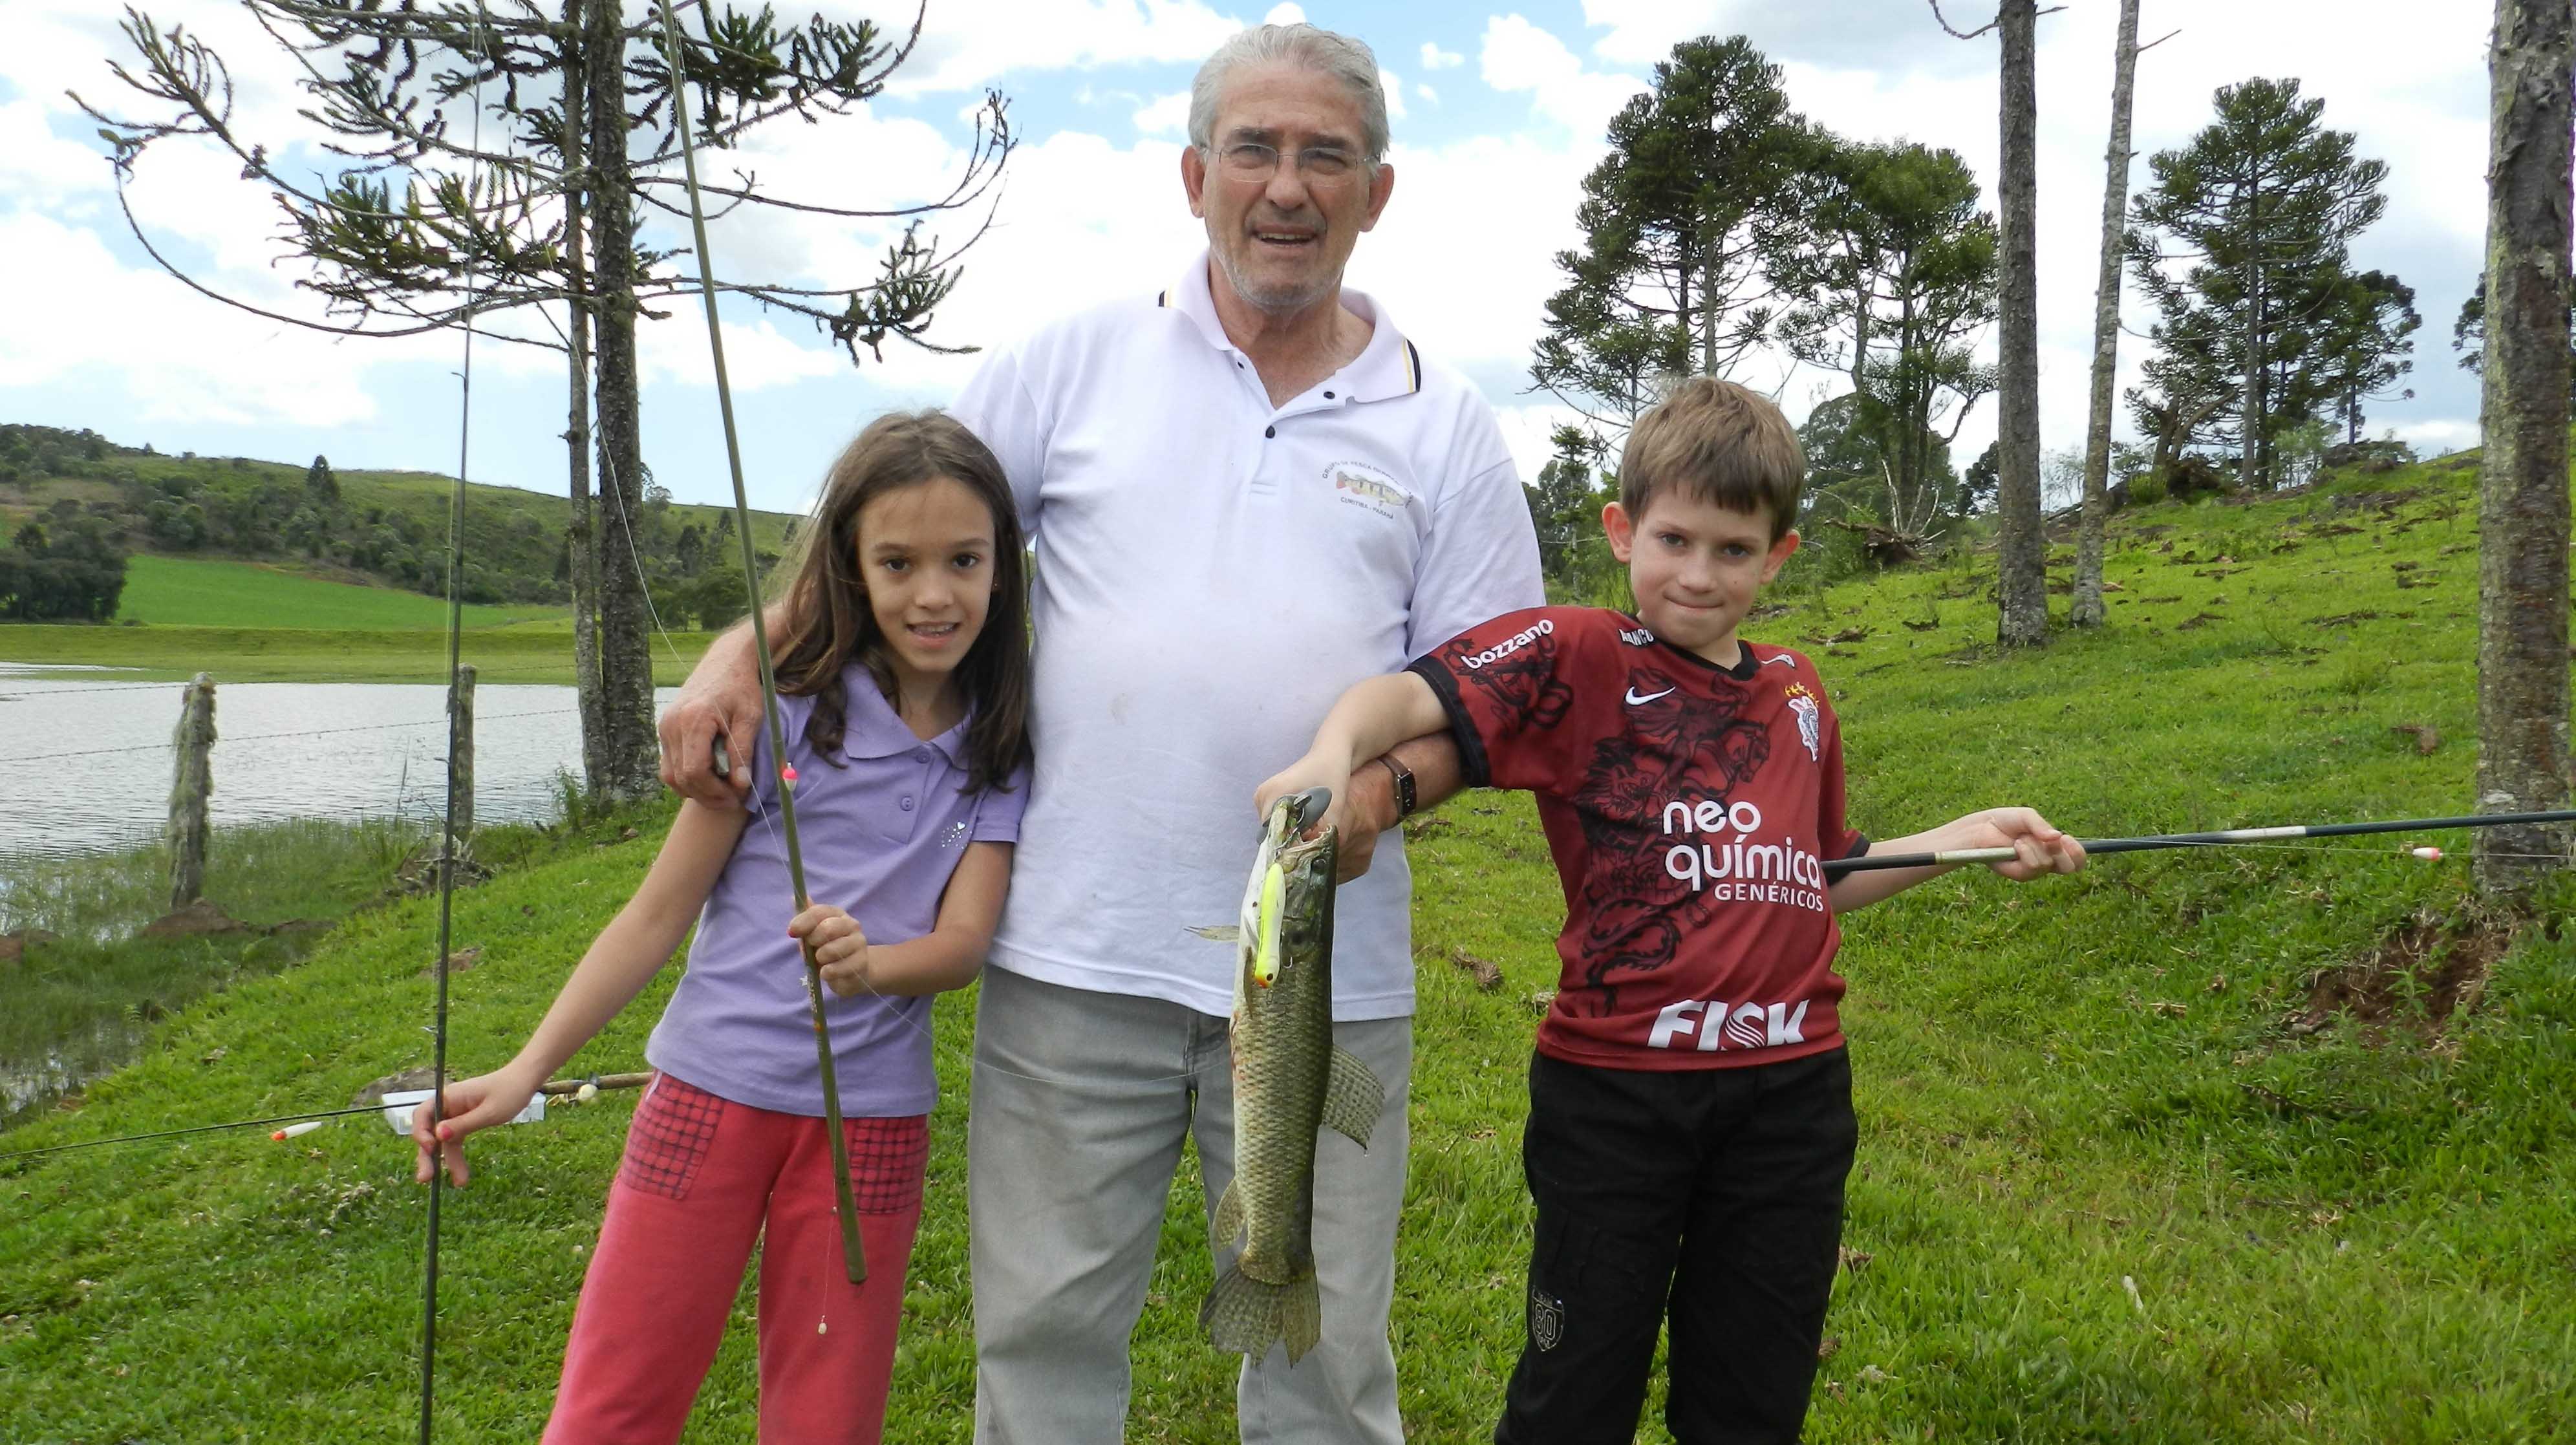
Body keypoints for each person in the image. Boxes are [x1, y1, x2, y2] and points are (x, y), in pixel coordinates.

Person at [654, 23, 1543, 1444]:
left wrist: (1386, 791)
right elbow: (890, 529)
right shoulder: (1070, 361)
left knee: (1325, 1359)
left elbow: (1491, 694)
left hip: (1325, 980)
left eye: (1328, 156)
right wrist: (730, 661)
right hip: (1073, 958)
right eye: (1254, 149)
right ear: (1196, 175)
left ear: (1380, 192)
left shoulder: (1446, 426)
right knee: (1045, 1339)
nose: (1288, 187)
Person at [1255, 376, 2087, 1445]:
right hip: (1617, 1100)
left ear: (1779, 554)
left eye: (1734, 551)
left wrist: (1969, 837)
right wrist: (1333, 755)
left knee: (1752, 1398)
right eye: (1674, 540)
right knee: (1575, 1392)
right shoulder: (1573, 656)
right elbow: (1402, 700)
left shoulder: (1797, 692)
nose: (1699, 576)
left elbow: (1819, 872)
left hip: (1792, 1101)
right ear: (1621, 531)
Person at [411, 411, 1033, 1445]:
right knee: (613, 1409)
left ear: (1001, 570)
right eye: (899, 562)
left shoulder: (1001, 748)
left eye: (964, 560)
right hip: (702, 1103)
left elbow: (965, 945)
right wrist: (527, 1068)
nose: (934, 593)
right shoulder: (778, 715)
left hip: (870, 1129)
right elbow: (654, 915)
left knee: (827, 1424)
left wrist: (875, 964)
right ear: (850, 571)